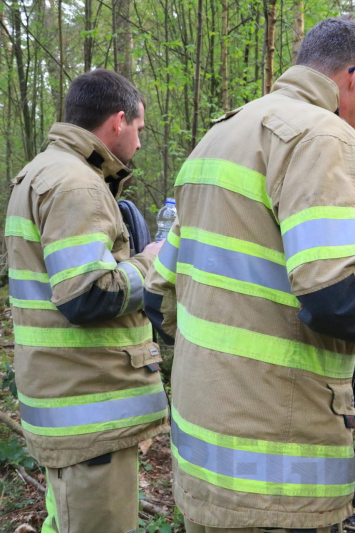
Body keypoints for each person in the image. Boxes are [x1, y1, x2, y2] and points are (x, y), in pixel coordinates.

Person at [143, 17, 355, 533]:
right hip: (278, 482)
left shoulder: (218, 138)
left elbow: (159, 295)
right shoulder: (325, 139)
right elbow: (338, 295)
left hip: (202, 467)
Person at [4, 69, 168, 533]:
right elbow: (86, 294)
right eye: (139, 129)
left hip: (67, 403)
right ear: (118, 121)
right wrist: (148, 263)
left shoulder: (40, 171)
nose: (139, 142)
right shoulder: (77, 185)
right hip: (89, 413)